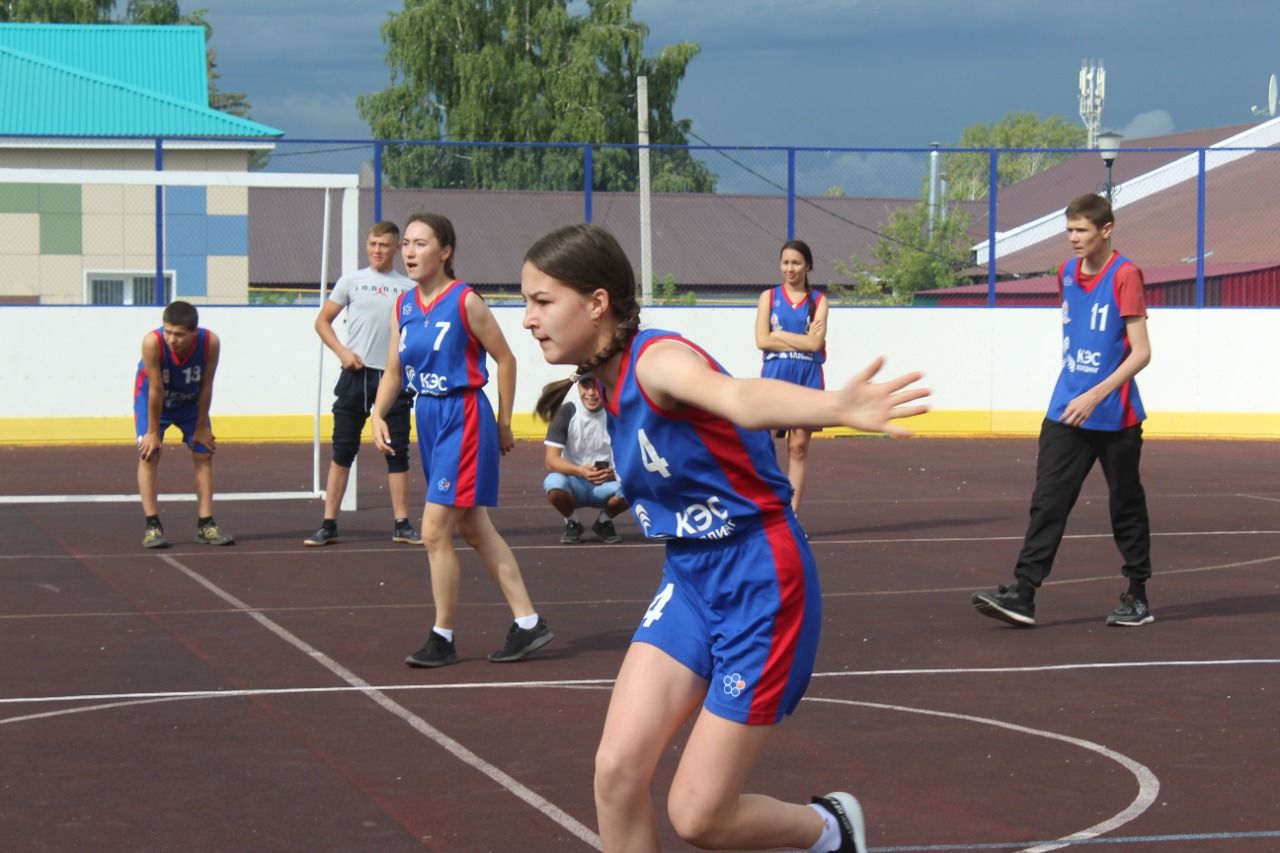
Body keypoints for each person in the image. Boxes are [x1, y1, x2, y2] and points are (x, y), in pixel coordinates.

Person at [522, 223, 928, 853]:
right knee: (615, 772)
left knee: (698, 817)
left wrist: (837, 408)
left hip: (761, 581)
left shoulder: (656, 361)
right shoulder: (599, 380)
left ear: (596, 302)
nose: (528, 318)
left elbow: (736, 396)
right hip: (690, 578)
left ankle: (830, 831)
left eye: (541, 301)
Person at [370, 212, 552, 668]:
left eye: (420, 243)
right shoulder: (404, 306)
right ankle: (529, 623)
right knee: (473, 527)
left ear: (445, 251)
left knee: (433, 531)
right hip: (427, 416)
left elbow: (505, 359)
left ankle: (442, 636)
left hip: (464, 413)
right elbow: (394, 370)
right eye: (406, 243)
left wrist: (505, 422)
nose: (408, 251)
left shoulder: (465, 300)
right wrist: (376, 411)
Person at [972, 192, 1154, 628]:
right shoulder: (1067, 273)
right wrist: (1080, 393)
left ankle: (1138, 595)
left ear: (1105, 230)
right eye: (1069, 230)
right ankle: (1024, 593)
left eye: (1081, 230)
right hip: (1066, 409)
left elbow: (1141, 353)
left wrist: (1098, 393)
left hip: (1115, 416)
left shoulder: (1125, 275)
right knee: (1048, 501)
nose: (1073, 238)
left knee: (1125, 504)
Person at [304, 221, 421, 547]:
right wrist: (342, 352)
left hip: (392, 378)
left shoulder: (409, 287)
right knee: (343, 450)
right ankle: (329, 523)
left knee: (397, 452)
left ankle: (402, 523)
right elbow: (322, 322)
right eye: (372, 244)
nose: (377, 250)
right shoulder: (351, 281)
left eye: (384, 245)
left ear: (396, 249)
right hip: (355, 376)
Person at [133, 300, 234, 549]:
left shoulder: (210, 343)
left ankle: (206, 524)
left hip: (190, 400)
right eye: (167, 332)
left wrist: (201, 427)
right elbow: (156, 389)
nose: (172, 339)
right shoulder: (151, 343)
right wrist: (153, 432)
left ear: (193, 332)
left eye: (179, 334)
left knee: (204, 452)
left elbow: (208, 384)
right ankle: (152, 525)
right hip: (154, 400)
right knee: (149, 454)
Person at [755, 239, 829, 512]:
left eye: (796, 262)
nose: (790, 268)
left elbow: (814, 344)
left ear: (808, 265)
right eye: (785, 262)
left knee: (798, 447)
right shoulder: (769, 297)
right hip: (776, 375)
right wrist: (799, 338)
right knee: (763, 443)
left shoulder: (818, 301)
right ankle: (766, 507)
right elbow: (762, 340)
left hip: (807, 377)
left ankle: (791, 515)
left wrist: (781, 335)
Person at [543, 374, 628, 544]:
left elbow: (633, 457)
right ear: (578, 387)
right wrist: (580, 471)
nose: (591, 393)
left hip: (609, 482)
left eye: (597, 386)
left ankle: (605, 521)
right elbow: (551, 461)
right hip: (575, 482)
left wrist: (614, 473)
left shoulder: (619, 414)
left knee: (640, 483)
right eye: (586, 386)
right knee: (553, 484)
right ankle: (572, 521)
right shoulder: (567, 412)